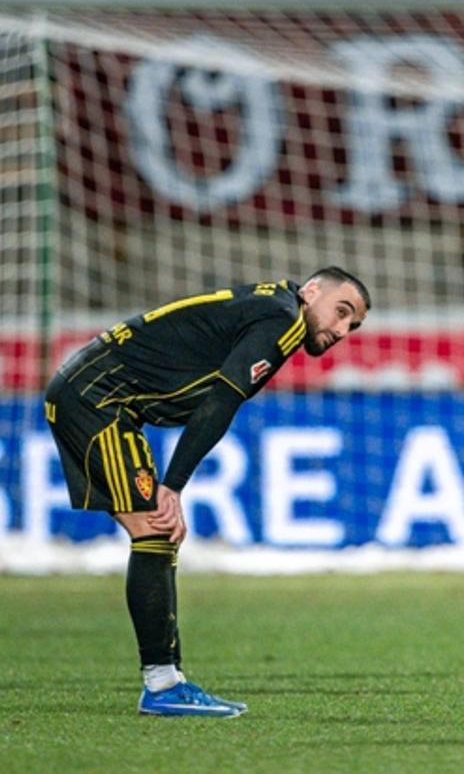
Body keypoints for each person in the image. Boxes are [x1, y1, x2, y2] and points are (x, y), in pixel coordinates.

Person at [44, 268, 370, 717]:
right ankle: (163, 685)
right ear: (311, 291)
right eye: (341, 312)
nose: (342, 330)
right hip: (96, 398)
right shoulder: (285, 319)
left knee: (156, 535)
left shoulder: (271, 304)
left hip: (96, 392)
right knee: (156, 530)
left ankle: (166, 683)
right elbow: (222, 400)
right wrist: (172, 486)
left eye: (353, 326)